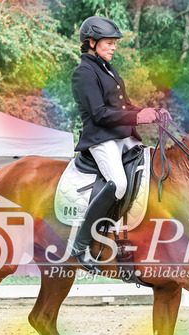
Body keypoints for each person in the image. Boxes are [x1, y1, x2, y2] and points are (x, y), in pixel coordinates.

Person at [70, 16, 161, 272]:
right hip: (101, 138)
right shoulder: (84, 73)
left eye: (114, 43)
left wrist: (148, 112)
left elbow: (124, 106)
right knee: (118, 183)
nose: (114, 47)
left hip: (121, 135)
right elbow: (99, 114)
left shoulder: (107, 69)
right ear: (92, 42)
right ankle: (80, 245)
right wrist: (136, 117)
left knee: (150, 168)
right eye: (109, 43)